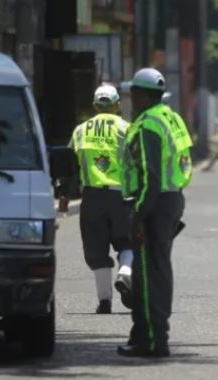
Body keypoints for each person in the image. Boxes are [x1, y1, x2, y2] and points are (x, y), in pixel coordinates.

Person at [117, 68, 193, 357]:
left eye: (132, 93)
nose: (130, 98)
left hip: (154, 202)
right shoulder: (170, 117)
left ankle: (152, 339)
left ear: (140, 94)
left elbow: (150, 175)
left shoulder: (149, 124)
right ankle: (144, 335)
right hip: (171, 198)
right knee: (155, 270)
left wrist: (137, 216)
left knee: (149, 274)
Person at [71, 85, 133, 314]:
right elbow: (138, 162)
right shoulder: (127, 128)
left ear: (96, 106)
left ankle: (104, 301)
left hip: (92, 197)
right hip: (122, 196)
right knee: (128, 241)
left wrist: (64, 195)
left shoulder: (80, 131)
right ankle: (126, 273)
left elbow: (70, 164)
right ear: (118, 105)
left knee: (96, 251)